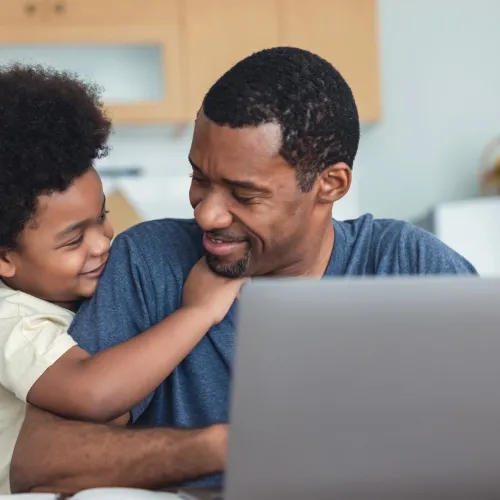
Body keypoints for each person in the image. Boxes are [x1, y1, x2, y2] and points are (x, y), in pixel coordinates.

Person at [10, 47, 477, 493]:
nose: (207, 215)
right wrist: (225, 448)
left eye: (244, 194)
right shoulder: (147, 261)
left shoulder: (408, 264)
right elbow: (41, 463)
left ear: (329, 185)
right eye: (199, 179)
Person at [0, 64, 246, 494]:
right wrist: (198, 312)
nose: (101, 243)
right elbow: (91, 392)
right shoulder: (10, 319)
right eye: (74, 238)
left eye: (102, 219)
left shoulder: (72, 293)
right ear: (5, 259)